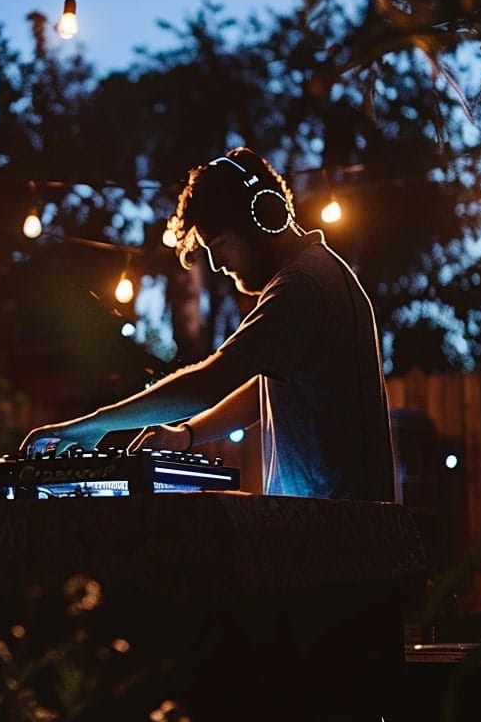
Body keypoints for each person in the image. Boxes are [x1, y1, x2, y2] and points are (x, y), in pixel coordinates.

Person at [20, 146, 395, 501]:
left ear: (259, 221)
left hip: (338, 535)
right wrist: (186, 435)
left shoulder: (302, 286)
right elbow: (263, 391)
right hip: (341, 525)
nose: (216, 265)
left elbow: (208, 383)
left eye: (219, 245)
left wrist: (96, 424)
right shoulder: (320, 274)